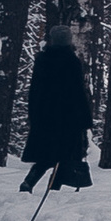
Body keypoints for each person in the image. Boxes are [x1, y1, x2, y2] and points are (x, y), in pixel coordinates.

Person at [19, 21, 95, 196]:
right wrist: (84, 119)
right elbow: (78, 93)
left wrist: (34, 115)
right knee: (67, 156)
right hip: (68, 118)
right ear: (68, 41)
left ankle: (29, 182)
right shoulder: (72, 61)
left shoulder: (42, 60)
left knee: (45, 155)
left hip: (44, 116)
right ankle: (53, 189)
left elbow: (35, 91)